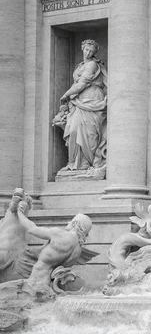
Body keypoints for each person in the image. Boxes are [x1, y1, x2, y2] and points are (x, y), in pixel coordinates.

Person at [56, 39, 107, 178]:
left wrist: (66, 94)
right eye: (86, 49)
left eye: (91, 51)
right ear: (82, 48)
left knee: (90, 133)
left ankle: (86, 163)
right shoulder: (80, 65)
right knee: (73, 129)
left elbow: (82, 84)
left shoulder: (92, 65)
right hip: (79, 101)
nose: (88, 52)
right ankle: (75, 163)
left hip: (92, 99)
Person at [17, 206, 95, 290]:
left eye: (70, 221)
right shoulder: (78, 250)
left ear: (74, 223)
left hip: (35, 282)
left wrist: (19, 213)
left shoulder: (60, 235)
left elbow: (32, 229)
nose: (68, 223)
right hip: (48, 285)